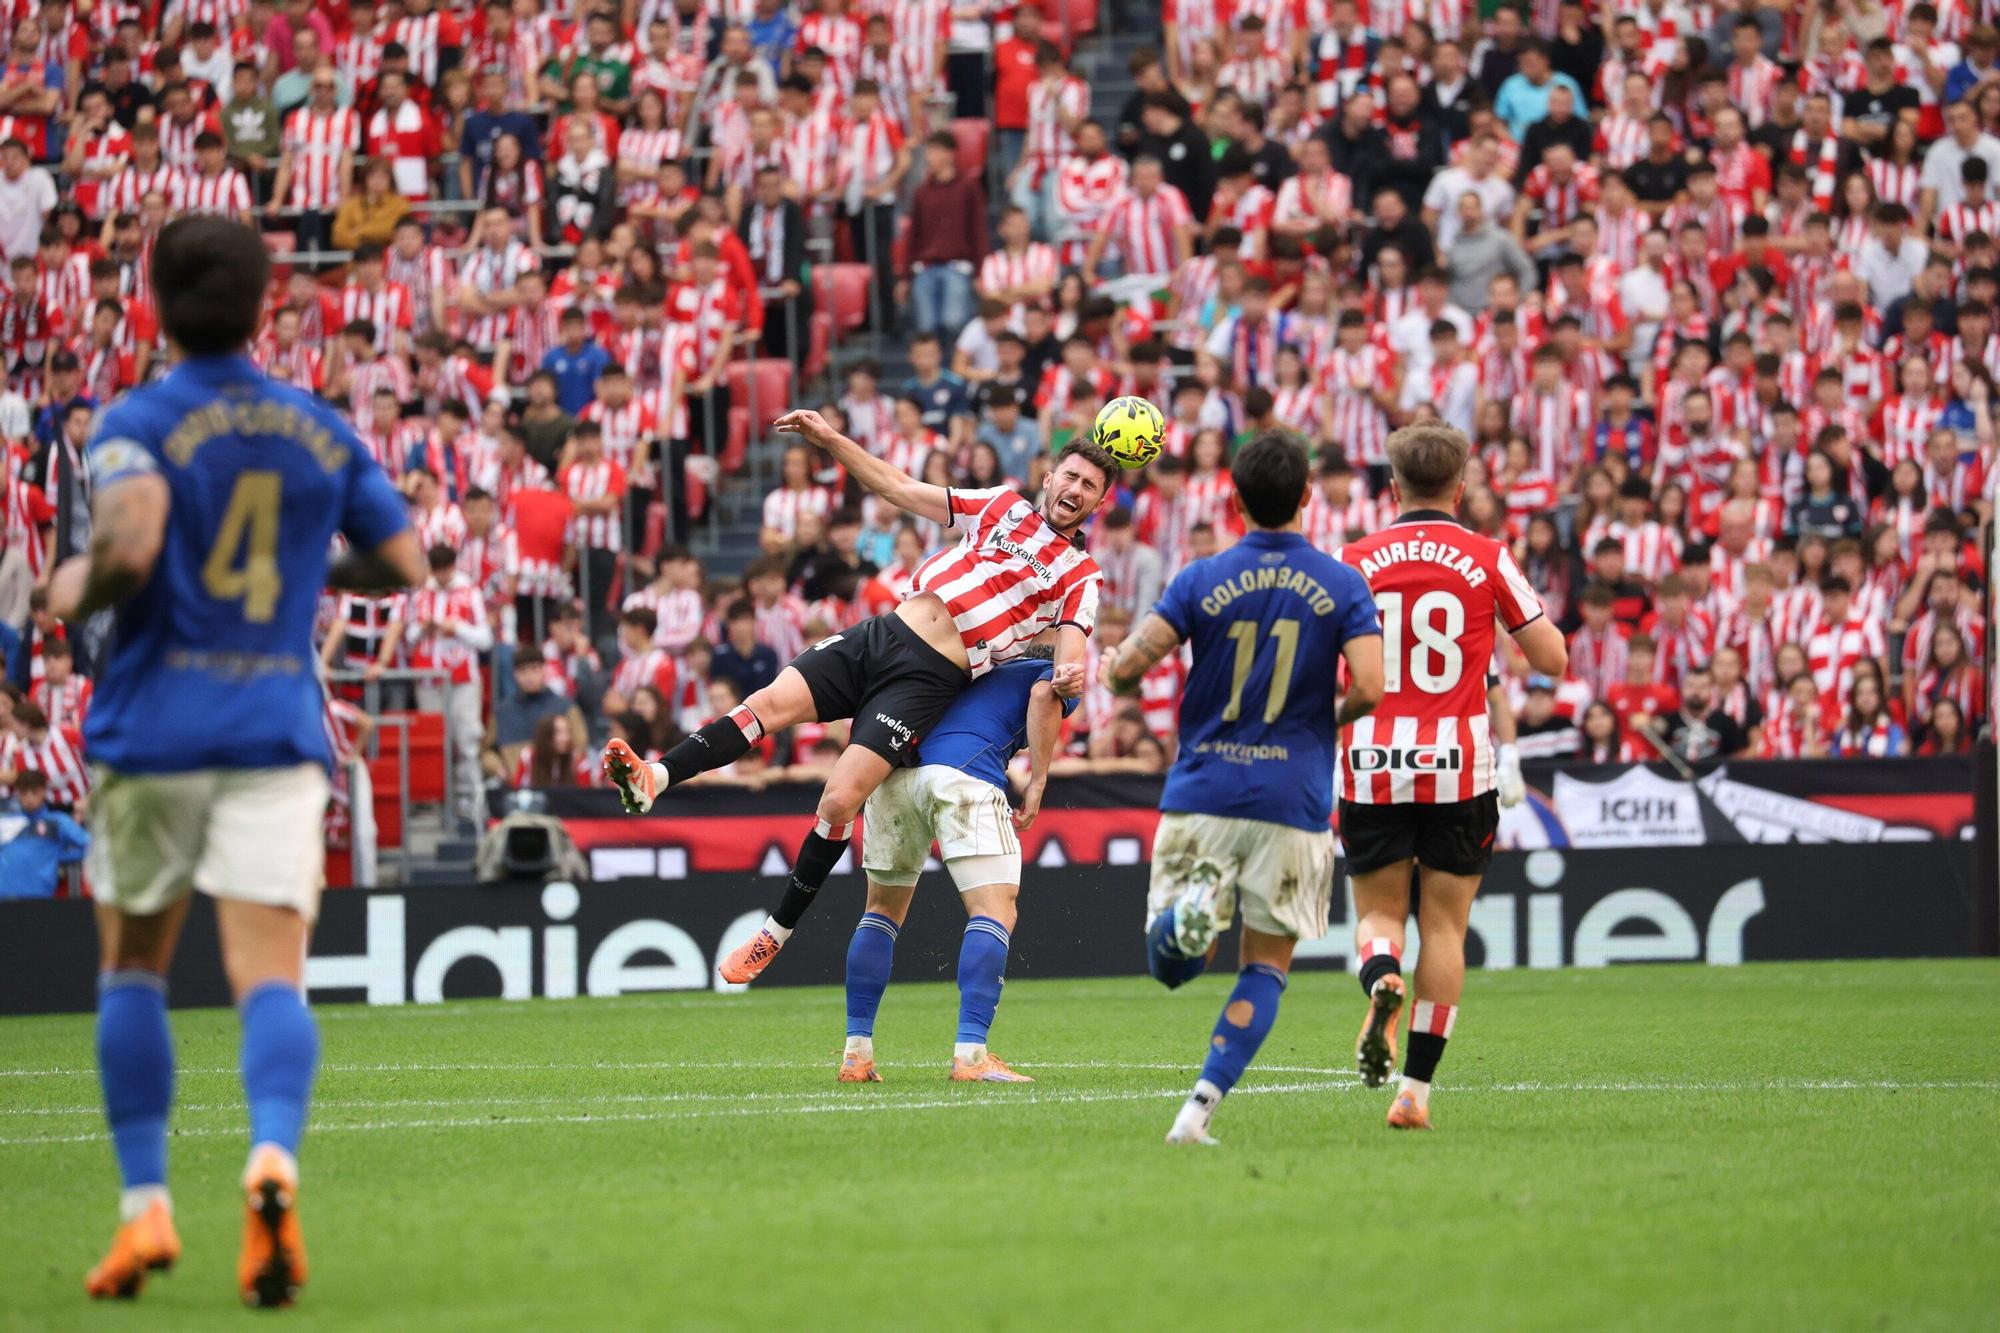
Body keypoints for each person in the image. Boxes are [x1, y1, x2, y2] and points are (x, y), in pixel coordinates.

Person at [47, 217, 422, 1307]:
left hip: (151, 732)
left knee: (134, 969)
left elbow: (127, 541)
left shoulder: (139, 417)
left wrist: (71, 586)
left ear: (154, 301)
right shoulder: (316, 427)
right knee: (270, 976)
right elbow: (401, 560)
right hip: (272, 728)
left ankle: (144, 1208)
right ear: (266, 304)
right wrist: (312, 567)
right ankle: (271, 1161)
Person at [601, 409, 1115, 983]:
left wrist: (1069, 678)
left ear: (1098, 505)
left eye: (1089, 487)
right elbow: (896, 486)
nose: (1075, 489)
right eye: (1069, 476)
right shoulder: (1000, 505)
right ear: (1048, 478)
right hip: (882, 634)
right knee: (765, 705)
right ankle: (655, 779)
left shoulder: (1080, 574)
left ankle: (775, 932)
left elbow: (1069, 658)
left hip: (928, 683)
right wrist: (829, 439)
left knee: (837, 802)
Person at [1101, 433, 1385, 1146]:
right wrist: (1322, 713)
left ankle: (1190, 918)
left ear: (1234, 500)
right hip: (1292, 798)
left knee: (1169, 968)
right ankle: (1196, 1110)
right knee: (1266, 967)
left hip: (1202, 788)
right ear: (1307, 497)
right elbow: (1373, 687)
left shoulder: (1200, 577)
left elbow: (1133, 668)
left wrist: (1113, 669)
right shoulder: (1343, 583)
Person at [1333, 423, 1568, 1130]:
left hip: (1371, 759)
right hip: (1460, 765)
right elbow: (1552, 658)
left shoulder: (1353, 559)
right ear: (1461, 488)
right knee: (1445, 926)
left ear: (1393, 487)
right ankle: (1415, 1092)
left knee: (1378, 915)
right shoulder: (1487, 554)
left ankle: (1381, 979)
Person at [840, 645, 1073, 1085]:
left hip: (893, 774)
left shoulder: (962, 663)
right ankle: (970, 1055)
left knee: (881, 910)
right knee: (994, 909)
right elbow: (1045, 696)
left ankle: (856, 1053)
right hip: (962, 774)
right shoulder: (1047, 667)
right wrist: (1038, 781)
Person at [0, 768, 88, 898]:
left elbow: (90, 845)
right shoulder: (5, 822)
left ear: (44, 792)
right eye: (24, 792)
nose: (30, 798)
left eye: (35, 792)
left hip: (40, 900)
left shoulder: (58, 821)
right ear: (18, 793)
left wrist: (59, 855)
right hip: (3, 898)